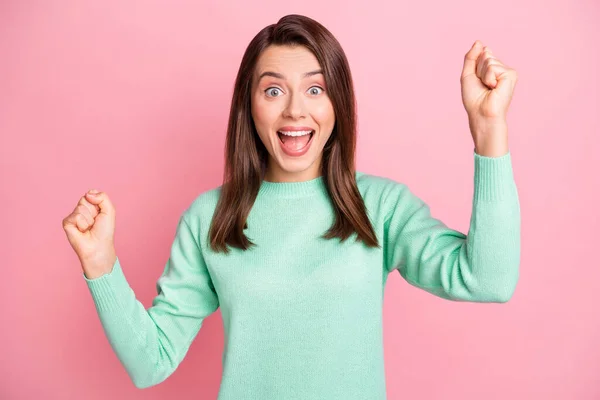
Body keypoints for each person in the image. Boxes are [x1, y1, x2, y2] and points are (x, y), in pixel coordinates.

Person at [62, 13, 520, 400]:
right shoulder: (210, 218)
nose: (295, 111)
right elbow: (152, 364)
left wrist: (489, 132)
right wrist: (101, 266)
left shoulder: (380, 207)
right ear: (250, 105)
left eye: (316, 90)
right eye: (274, 90)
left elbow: (488, 280)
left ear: (338, 103)